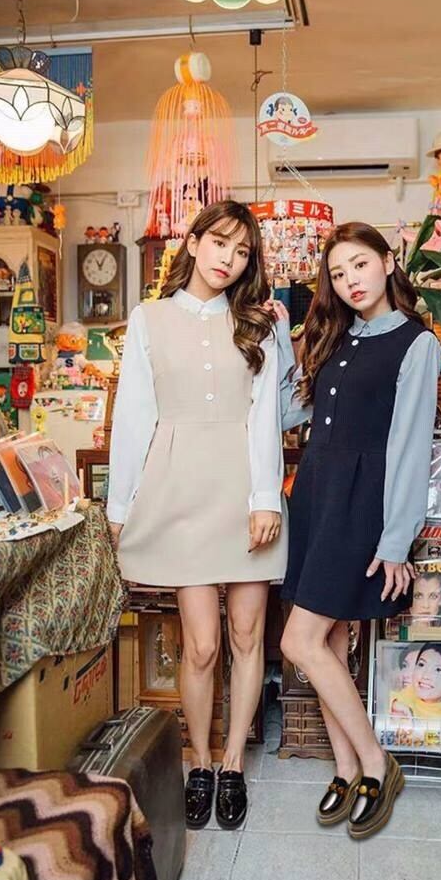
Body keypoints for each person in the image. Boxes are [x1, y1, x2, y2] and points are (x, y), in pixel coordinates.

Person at [107, 200, 287, 831]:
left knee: (247, 636)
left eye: (242, 252)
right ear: (193, 241)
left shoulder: (259, 324)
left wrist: (265, 498)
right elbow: (134, 416)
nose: (228, 260)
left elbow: (267, 415)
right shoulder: (148, 319)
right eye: (219, 243)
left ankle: (232, 763)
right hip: (180, 492)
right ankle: (200, 761)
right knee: (203, 644)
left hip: (244, 491)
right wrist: (120, 504)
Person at [270, 221, 440, 840]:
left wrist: (396, 539)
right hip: (317, 493)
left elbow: (412, 445)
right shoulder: (338, 338)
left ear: (388, 262)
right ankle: (345, 769)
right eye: (338, 274)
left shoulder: (417, 343)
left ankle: (375, 762)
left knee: (299, 641)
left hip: (361, 503)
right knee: (330, 641)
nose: (350, 282)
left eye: (360, 265)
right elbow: (288, 412)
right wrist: (283, 343)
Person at [389, 642, 441, 720]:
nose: (425, 676)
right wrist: (394, 705)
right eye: (421, 664)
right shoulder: (400, 697)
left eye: (438, 670)